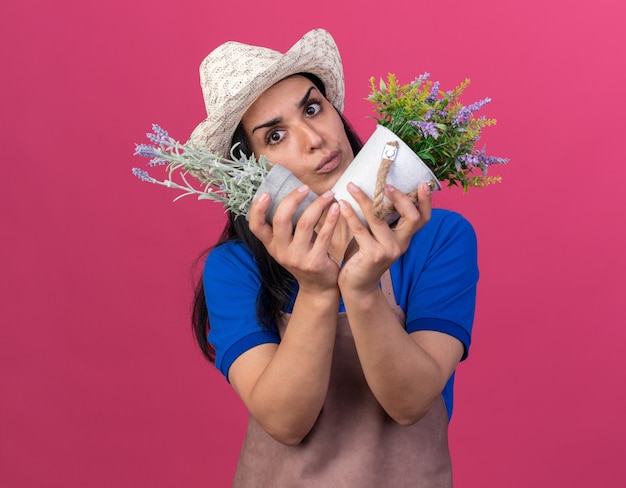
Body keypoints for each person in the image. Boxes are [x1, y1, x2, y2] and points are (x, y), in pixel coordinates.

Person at [190, 29, 478, 487]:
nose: (313, 139)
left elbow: (411, 403)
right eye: (276, 135)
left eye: (312, 108)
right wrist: (318, 288)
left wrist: (362, 289)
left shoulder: (438, 238)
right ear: (252, 170)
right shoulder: (235, 268)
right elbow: (285, 422)